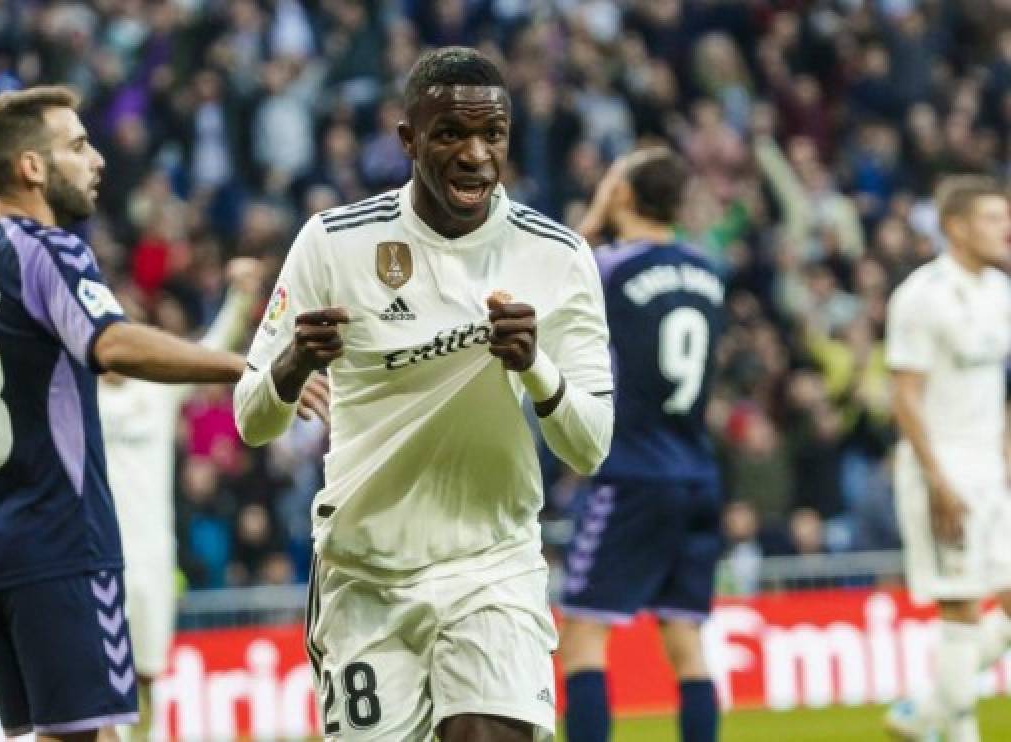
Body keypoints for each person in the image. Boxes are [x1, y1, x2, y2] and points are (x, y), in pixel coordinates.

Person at [234, 46, 615, 741]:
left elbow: (589, 446)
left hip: (491, 565)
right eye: (450, 134)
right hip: (363, 576)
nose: (475, 155)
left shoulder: (557, 256)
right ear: (408, 138)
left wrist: (537, 368)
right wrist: (291, 366)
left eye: (491, 135)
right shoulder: (333, 244)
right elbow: (251, 420)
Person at [0, 86, 247, 742]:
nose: (95, 160)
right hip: (63, 545)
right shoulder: (50, 249)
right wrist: (246, 368)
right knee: (86, 735)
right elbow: (112, 342)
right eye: (76, 146)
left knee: (60, 734)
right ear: (32, 169)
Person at [560, 147, 726, 742]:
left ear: (622, 196)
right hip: (697, 471)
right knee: (686, 640)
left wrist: (594, 214)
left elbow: (557, 274)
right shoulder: (709, 272)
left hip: (632, 470)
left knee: (582, 635)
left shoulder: (607, 267)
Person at [98, 256, 276, 742]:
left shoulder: (155, 391)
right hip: (97, 561)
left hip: (154, 558)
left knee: (147, 678)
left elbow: (211, 351)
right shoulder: (74, 395)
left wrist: (240, 298)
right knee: (99, 689)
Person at [884, 176, 1011, 742]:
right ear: (955, 227)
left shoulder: (1001, 291)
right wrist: (938, 479)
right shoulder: (921, 295)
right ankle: (952, 723)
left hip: (992, 469)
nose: (1005, 228)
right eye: (991, 218)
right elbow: (904, 393)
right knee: (959, 611)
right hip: (943, 468)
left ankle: (926, 710)